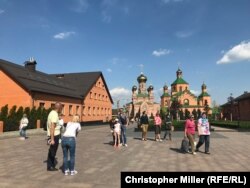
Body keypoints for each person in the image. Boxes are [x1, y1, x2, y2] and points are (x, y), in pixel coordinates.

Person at [47, 102, 62, 171]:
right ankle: (50, 166)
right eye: (61, 108)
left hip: (54, 135)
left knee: (52, 151)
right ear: (59, 108)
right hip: (54, 135)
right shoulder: (54, 114)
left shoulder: (52, 113)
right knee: (53, 151)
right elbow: (52, 127)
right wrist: (52, 139)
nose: (61, 109)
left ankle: (51, 165)